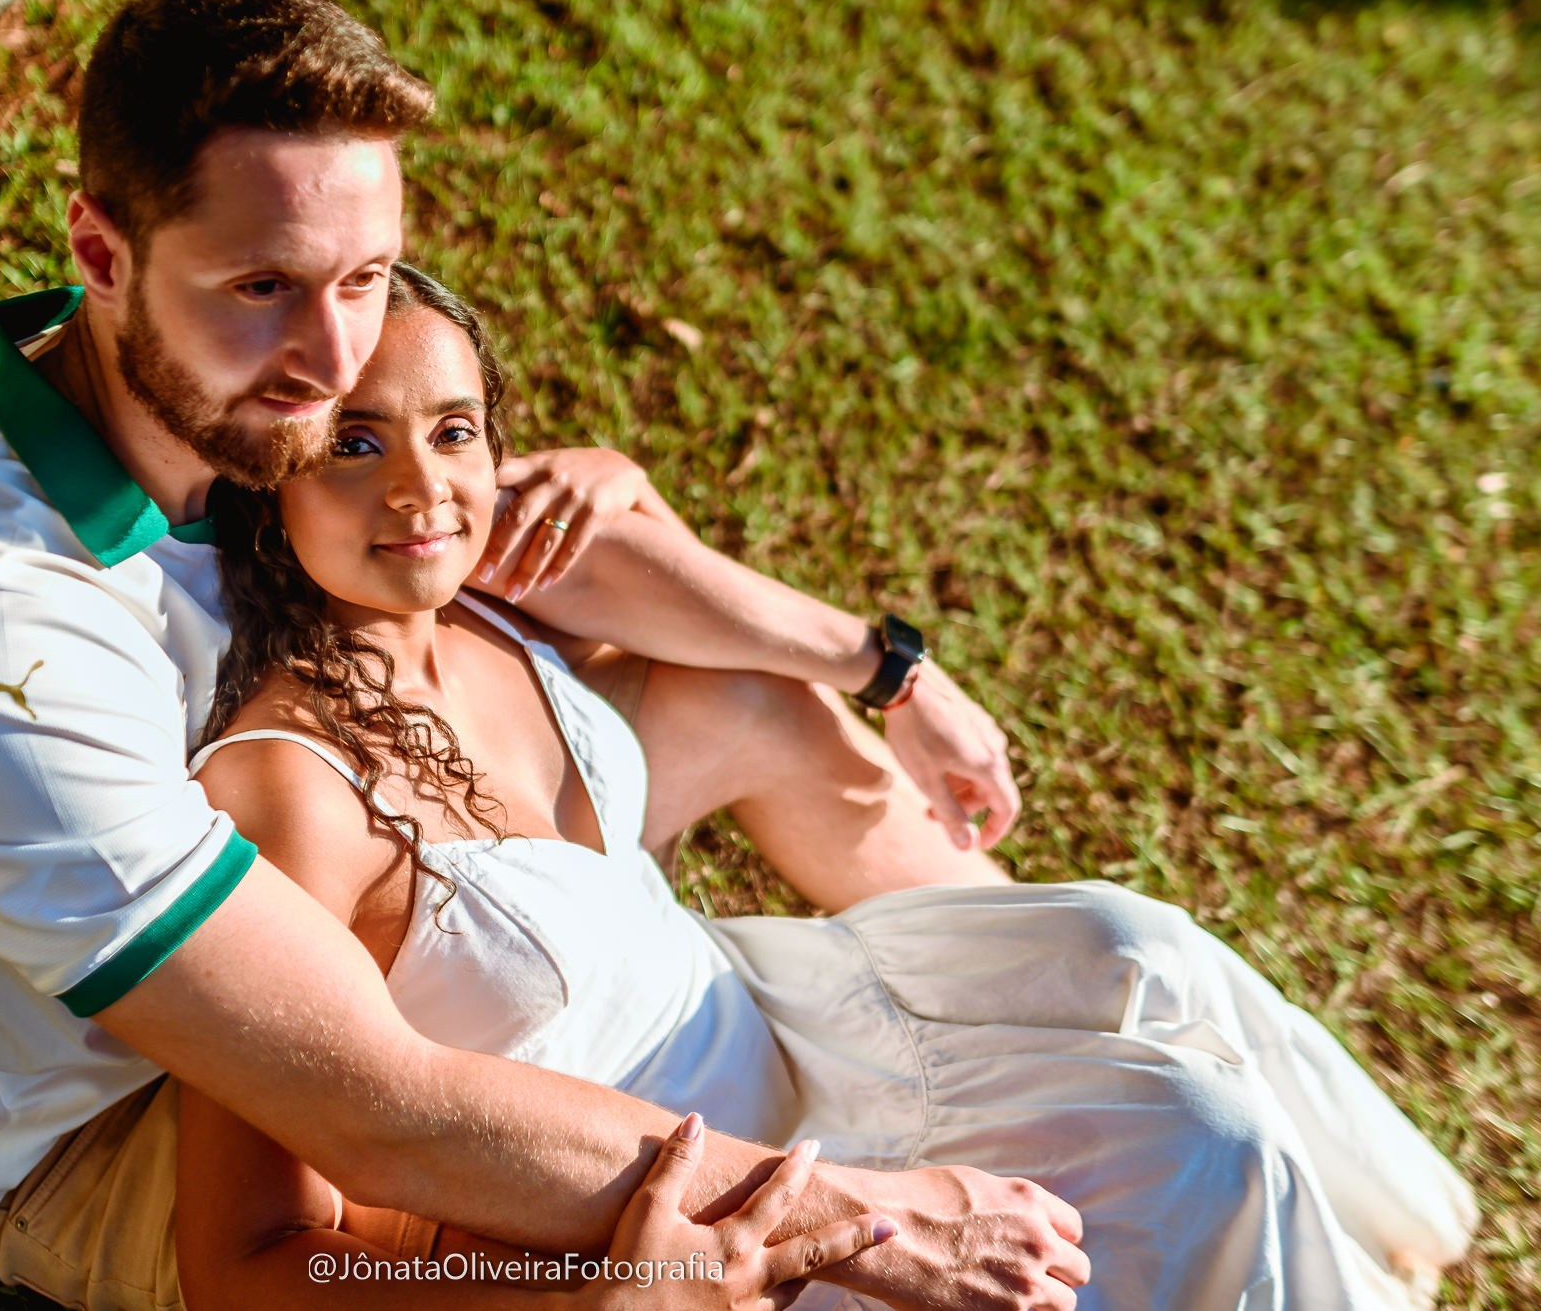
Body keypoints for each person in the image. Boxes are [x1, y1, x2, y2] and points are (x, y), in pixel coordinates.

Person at [0, 0, 1092, 1311]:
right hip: (130, 1105)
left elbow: (527, 538)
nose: (335, 358)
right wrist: (864, 1223)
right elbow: (372, 1108)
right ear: (102, 257)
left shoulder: (219, 399)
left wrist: (882, 664)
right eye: (265, 283)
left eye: (367, 277)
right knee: (654, 1279)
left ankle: (1049, 1014)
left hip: (335, 894)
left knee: (736, 699)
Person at [177, 264, 1478, 1311]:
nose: (423, 488)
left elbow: (683, 596)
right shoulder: (289, 796)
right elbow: (253, 1265)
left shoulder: (494, 605)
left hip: (798, 1027)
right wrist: (584, 1293)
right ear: (265, 468)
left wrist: (634, 488)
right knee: (1202, 1144)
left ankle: (1395, 1266)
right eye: (353, 443)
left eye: (454, 430)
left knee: (1149, 977)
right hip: (711, 1214)